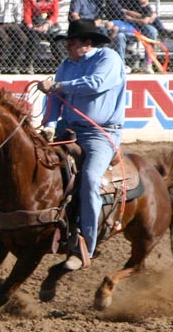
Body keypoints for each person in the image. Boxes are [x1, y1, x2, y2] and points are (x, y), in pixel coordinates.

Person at [37, 18, 126, 271]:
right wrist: (50, 124)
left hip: (100, 133)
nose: (67, 47)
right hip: (68, 129)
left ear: (87, 43)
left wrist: (57, 85)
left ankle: (86, 243)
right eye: (66, 43)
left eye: (71, 42)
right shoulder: (67, 64)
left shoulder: (108, 59)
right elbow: (55, 97)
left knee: (89, 178)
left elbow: (95, 84)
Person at [23, 0, 65, 72]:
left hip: (47, 24)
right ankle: (29, 65)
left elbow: (54, 14)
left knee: (57, 39)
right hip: (33, 24)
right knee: (33, 40)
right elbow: (27, 14)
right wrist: (31, 26)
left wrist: (47, 25)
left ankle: (62, 65)